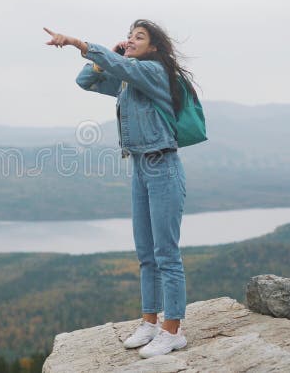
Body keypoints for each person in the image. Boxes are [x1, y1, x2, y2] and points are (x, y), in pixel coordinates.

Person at [44, 20, 198, 358]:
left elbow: (122, 66)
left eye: (138, 37)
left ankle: (173, 331)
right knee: (146, 255)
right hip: (140, 168)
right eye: (129, 36)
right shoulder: (130, 82)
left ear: (154, 47)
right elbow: (85, 80)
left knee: (166, 255)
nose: (130, 40)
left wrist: (76, 42)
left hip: (163, 167)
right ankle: (150, 322)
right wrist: (102, 59)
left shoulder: (154, 72)